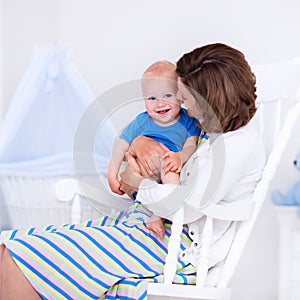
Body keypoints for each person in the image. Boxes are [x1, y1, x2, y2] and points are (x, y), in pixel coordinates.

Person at [0, 43, 266, 300]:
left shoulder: (237, 146)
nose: (182, 106)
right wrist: (141, 145)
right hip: (147, 224)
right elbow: (158, 148)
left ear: (210, 98)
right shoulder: (210, 133)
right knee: (7, 244)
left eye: (185, 99)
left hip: (175, 245)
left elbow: (184, 207)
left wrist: (137, 183)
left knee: (19, 253)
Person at [108, 60, 202, 238]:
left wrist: (180, 157)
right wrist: (111, 175)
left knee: (171, 179)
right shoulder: (141, 121)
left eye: (167, 96)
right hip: (142, 169)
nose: (159, 104)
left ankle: (157, 216)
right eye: (151, 98)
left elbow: (192, 143)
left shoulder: (188, 120)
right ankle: (145, 207)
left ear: (180, 95)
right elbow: (120, 147)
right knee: (132, 168)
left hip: (167, 163)